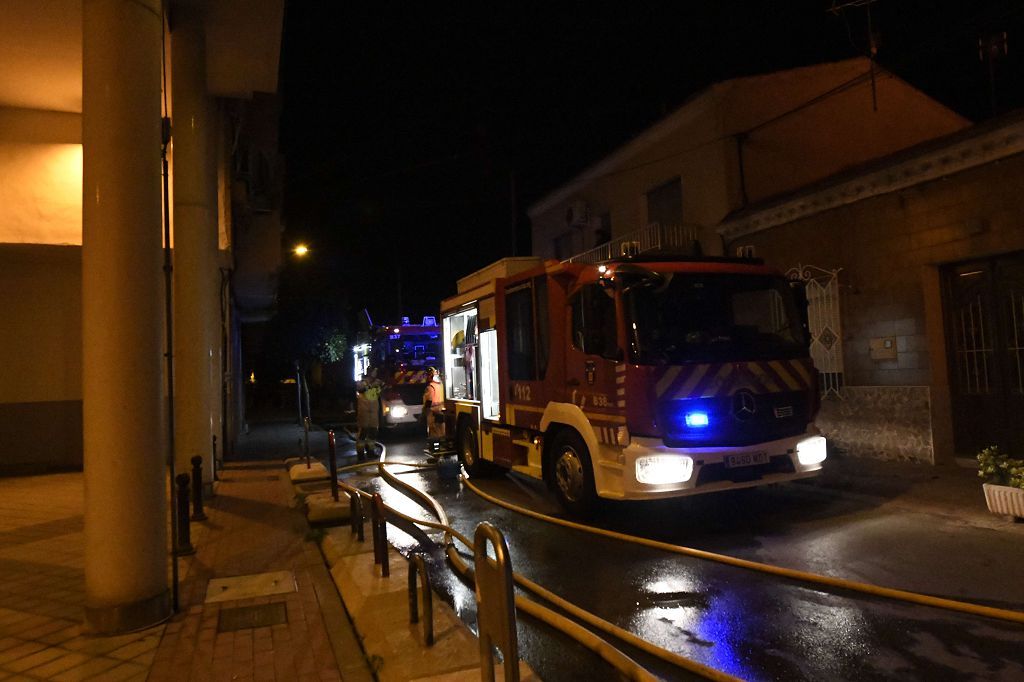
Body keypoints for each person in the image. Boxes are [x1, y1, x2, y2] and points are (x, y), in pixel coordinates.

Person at [355, 367, 382, 460]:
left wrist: (381, 385)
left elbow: (378, 394)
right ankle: (360, 453)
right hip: (364, 412)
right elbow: (360, 389)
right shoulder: (362, 382)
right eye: (374, 371)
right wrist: (372, 385)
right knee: (363, 431)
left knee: (373, 432)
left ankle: (370, 450)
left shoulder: (377, 383)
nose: (375, 373)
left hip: (374, 412)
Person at [421, 366, 445, 440]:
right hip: (441, 410)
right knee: (442, 430)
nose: (426, 377)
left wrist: (423, 414)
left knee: (433, 431)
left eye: (427, 375)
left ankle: (435, 447)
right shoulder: (440, 385)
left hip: (433, 412)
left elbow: (428, 401)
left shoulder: (430, 387)